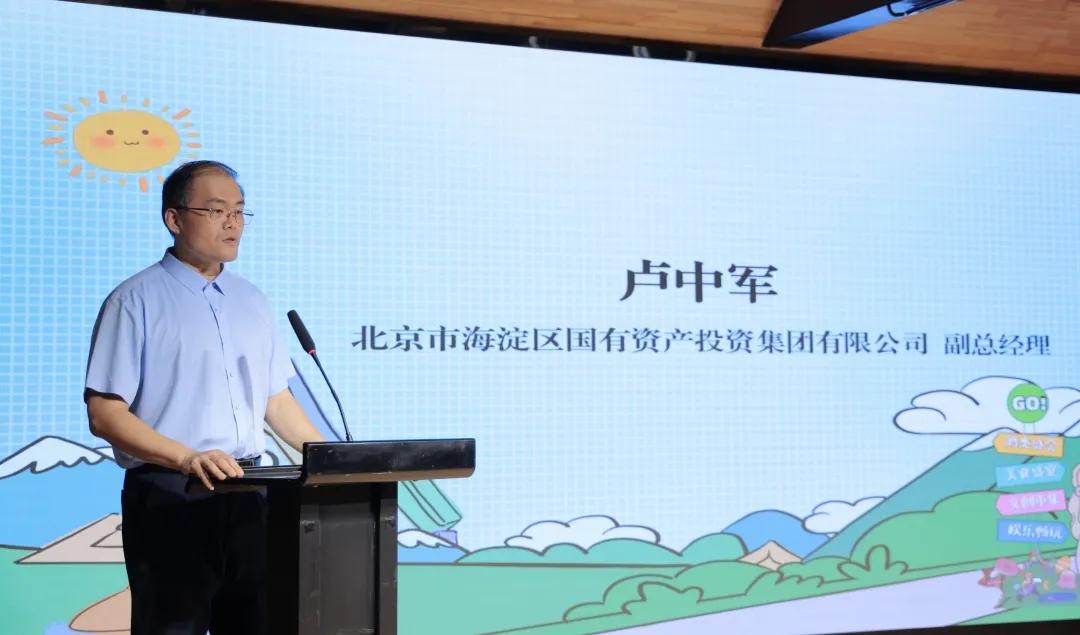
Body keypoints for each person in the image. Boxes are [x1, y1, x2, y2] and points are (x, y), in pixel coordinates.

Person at [84, 160, 325, 634]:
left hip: (252, 491)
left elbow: (275, 401)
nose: (232, 223)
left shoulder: (252, 301)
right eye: (216, 210)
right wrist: (187, 457)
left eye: (239, 211)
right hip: (173, 493)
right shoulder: (134, 301)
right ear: (174, 219)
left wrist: (330, 461)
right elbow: (105, 413)